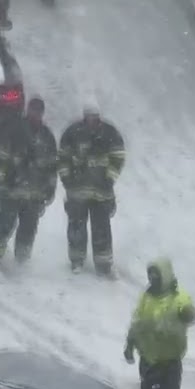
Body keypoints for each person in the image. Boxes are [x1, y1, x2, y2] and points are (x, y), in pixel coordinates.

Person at [123, 257, 195, 389]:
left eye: (157, 275)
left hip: (170, 359)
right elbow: (138, 322)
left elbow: (188, 310)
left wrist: (187, 314)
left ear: (165, 275)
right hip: (148, 358)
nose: (153, 279)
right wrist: (130, 343)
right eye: (151, 275)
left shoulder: (178, 296)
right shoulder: (146, 297)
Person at [0, 97, 58, 264]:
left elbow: (52, 167)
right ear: (28, 110)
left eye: (38, 112)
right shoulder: (14, 130)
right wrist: (1, 185)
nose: (35, 114)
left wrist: (50, 190)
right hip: (12, 190)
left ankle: (22, 260)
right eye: (33, 111)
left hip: (35, 194)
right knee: (5, 223)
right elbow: (1, 160)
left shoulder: (47, 136)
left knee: (28, 229)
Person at [58, 106, 125, 275]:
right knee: (76, 226)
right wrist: (67, 179)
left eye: (95, 117)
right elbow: (63, 157)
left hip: (101, 193)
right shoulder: (72, 133)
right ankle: (76, 260)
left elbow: (118, 157)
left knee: (101, 227)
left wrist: (109, 178)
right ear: (84, 116)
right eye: (89, 116)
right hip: (77, 192)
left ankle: (103, 264)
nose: (92, 120)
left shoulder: (110, 134)